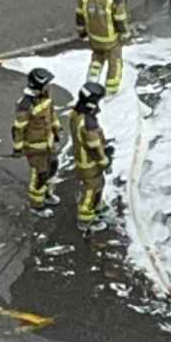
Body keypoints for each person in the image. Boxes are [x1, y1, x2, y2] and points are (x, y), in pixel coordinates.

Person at [12, 67, 62, 218]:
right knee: (40, 175)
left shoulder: (46, 98)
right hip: (35, 148)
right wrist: (18, 148)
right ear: (38, 86)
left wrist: (57, 130)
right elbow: (18, 129)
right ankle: (37, 205)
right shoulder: (25, 106)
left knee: (52, 168)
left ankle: (47, 194)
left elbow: (52, 116)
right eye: (46, 84)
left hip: (49, 144)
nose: (49, 87)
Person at [76, 0, 130, 94]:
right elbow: (120, 20)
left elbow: (79, 15)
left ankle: (92, 79)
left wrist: (82, 32)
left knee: (97, 56)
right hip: (111, 40)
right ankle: (111, 89)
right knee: (115, 61)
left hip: (93, 37)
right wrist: (125, 34)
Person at [69, 82, 115, 233]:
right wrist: (105, 161)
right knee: (92, 189)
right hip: (90, 164)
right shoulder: (89, 124)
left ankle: (96, 206)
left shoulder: (76, 114)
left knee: (95, 186)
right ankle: (86, 219)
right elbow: (95, 147)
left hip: (81, 160)